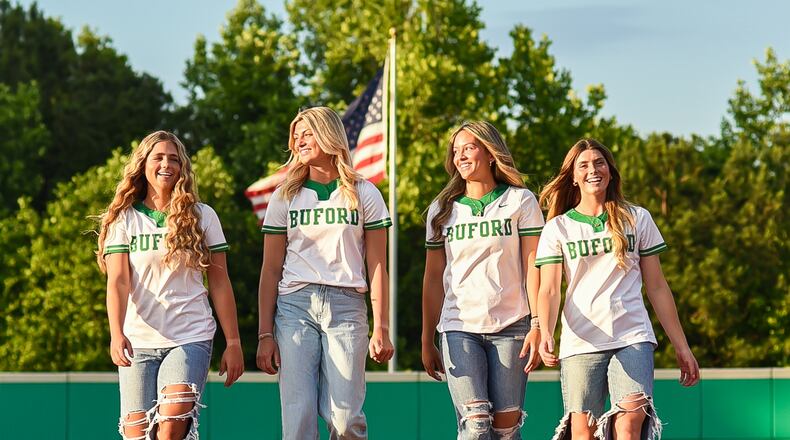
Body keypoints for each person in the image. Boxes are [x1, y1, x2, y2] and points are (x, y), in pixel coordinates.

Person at [535, 138, 700, 440]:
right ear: (572, 176)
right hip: (581, 341)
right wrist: (545, 331)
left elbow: (658, 287)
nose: (593, 170)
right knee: (583, 432)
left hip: (632, 336)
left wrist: (682, 346)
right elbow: (548, 290)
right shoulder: (558, 228)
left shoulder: (637, 218)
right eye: (583, 165)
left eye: (599, 163)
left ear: (610, 170)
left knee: (628, 425)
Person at [256, 106, 394, 440]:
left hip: (347, 306)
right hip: (294, 307)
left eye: (308, 133)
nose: (300, 141)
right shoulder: (283, 196)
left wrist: (382, 326)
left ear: (329, 135)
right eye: (296, 135)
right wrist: (264, 334)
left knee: (346, 420)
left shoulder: (364, 192)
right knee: (298, 417)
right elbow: (271, 269)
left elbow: (377, 264)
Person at [97, 130, 244, 440]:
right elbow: (119, 281)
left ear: (183, 168)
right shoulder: (123, 219)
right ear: (143, 165)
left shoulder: (203, 216)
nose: (167, 164)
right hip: (138, 341)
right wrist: (116, 333)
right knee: (138, 434)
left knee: (173, 419)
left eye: (174, 159)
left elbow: (219, 283)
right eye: (159, 157)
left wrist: (233, 342)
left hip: (189, 336)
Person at [421, 121, 544, 439]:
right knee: (476, 425)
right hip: (459, 329)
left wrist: (538, 324)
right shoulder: (441, 210)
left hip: (513, 328)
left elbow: (534, 266)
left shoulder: (521, 201)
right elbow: (433, 278)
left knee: (505, 432)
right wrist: (426, 338)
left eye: (469, 147)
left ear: (491, 153)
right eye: (456, 150)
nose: (460, 155)